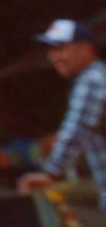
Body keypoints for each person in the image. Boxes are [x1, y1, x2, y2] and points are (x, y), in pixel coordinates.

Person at [18, 18, 106, 210]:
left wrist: (49, 173)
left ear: (85, 48)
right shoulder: (100, 75)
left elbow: (76, 129)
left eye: (60, 48)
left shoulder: (91, 80)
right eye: (50, 50)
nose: (54, 57)